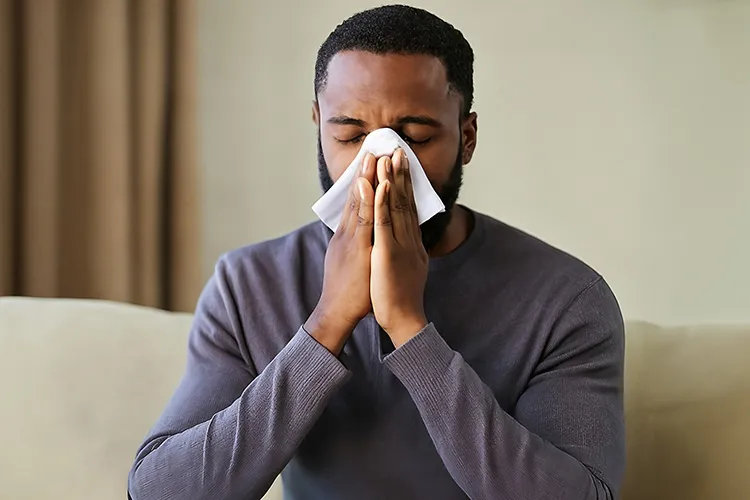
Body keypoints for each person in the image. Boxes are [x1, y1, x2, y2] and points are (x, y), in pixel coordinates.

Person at [128, 5, 625, 500]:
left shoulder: (566, 299)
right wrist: (327, 323)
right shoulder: (249, 286)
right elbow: (158, 493)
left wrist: (410, 329)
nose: (382, 161)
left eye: (416, 136)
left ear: (466, 138)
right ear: (318, 126)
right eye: (350, 134)